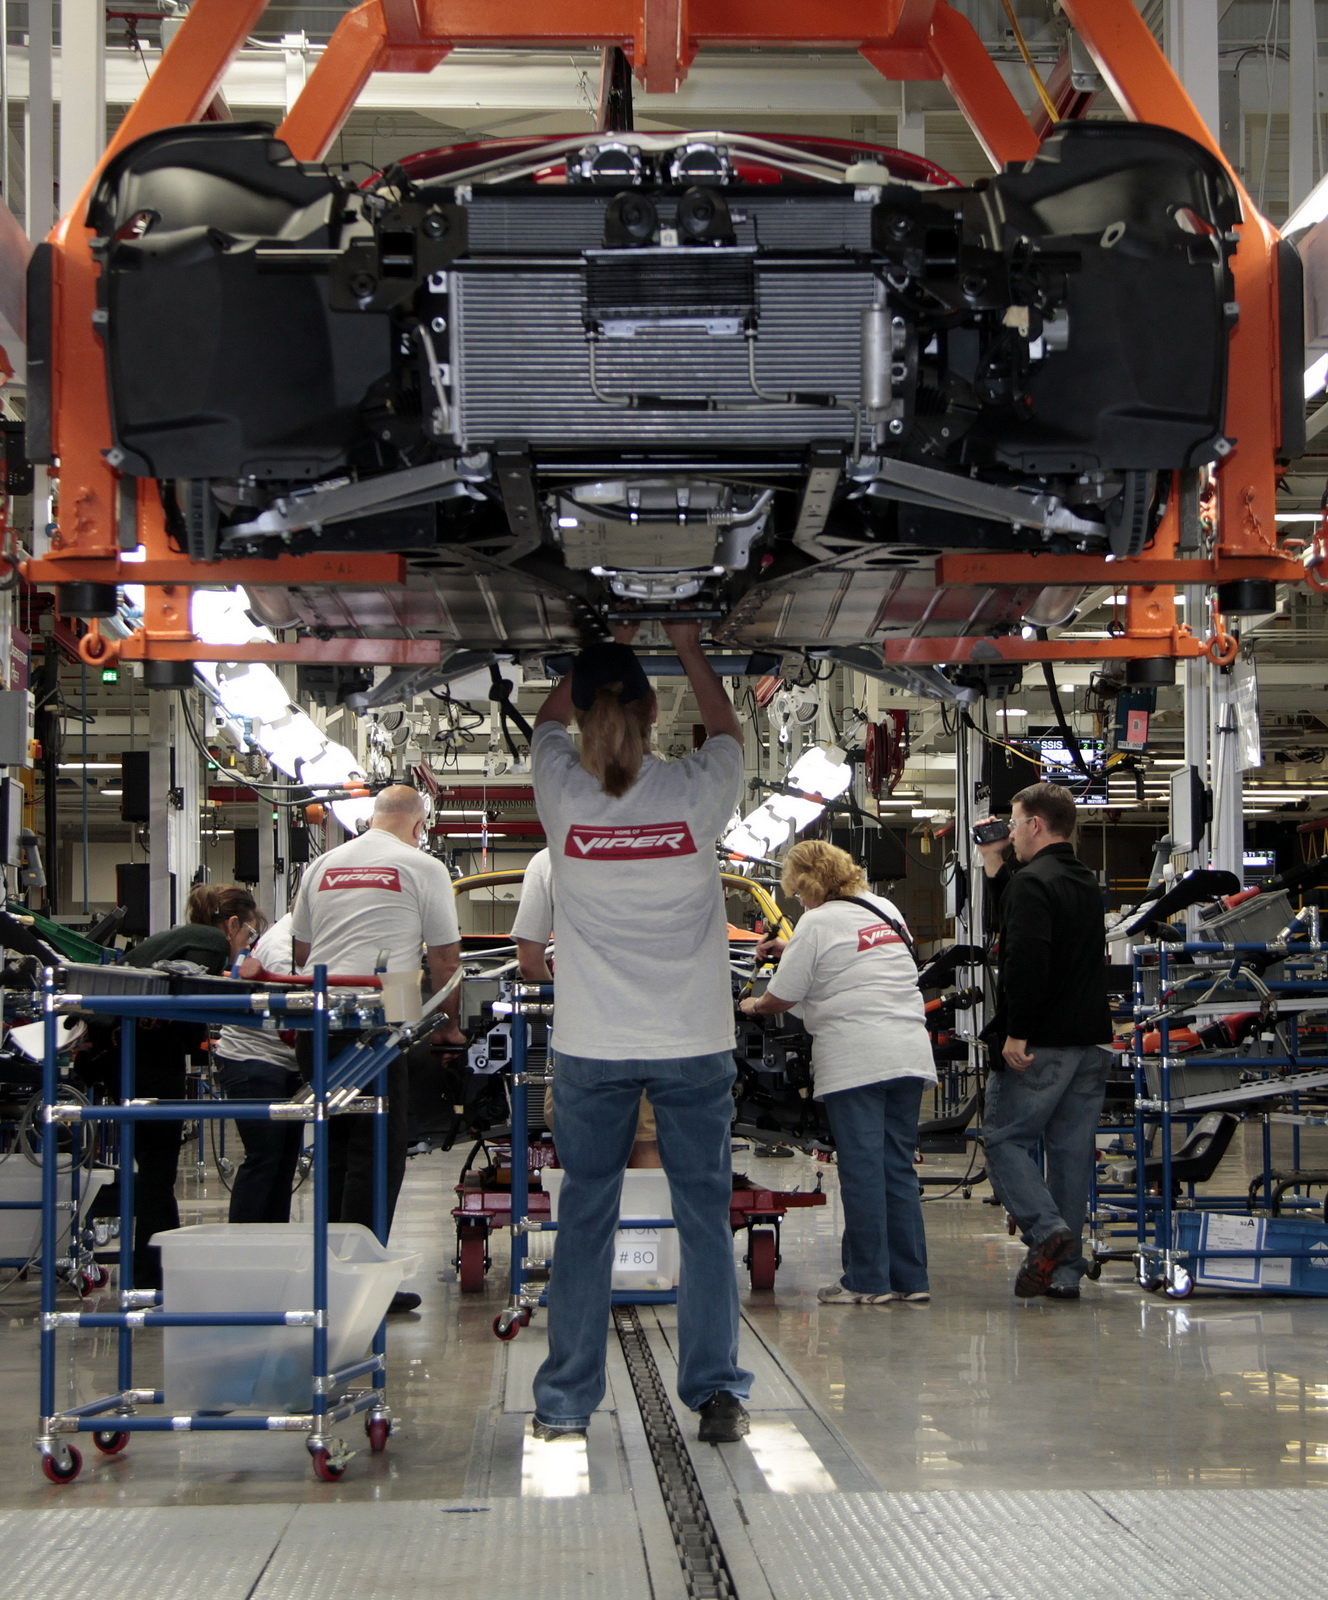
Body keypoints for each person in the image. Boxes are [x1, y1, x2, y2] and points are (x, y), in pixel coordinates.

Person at [529, 622, 753, 1446]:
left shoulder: (562, 793)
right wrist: (689, 645)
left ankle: (565, 1402)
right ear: (656, 711)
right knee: (702, 1217)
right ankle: (717, 1393)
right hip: (693, 1042)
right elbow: (726, 730)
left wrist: (598, 644)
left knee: (585, 1218)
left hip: (592, 1046)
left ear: (586, 712)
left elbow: (545, 723)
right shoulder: (695, 792)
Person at [291, 785, 466, 1312]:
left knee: (335, 1150)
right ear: (419, 825)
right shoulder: (422, 866)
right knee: (377, 1154)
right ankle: (362, 1288)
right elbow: (445, 959)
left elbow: (302, 951)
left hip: (318, 1015)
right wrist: (447, 1029)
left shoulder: (322, 865)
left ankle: (331, 1281)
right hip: (381, 1014)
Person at [739, 839, 935, 1305]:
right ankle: (911, 1280)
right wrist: (795, 947)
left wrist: (752, 1005)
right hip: (909, 1052)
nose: (799, 902)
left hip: (857, 1058)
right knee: (896, 1168)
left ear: (807, 884)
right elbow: (856, 956)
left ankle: (867, 1281)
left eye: (797, 892)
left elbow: (782, 997)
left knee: (863, 1170)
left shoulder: (817, 921)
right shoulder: (884, 908)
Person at [975, 781, 1112, 1301]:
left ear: (1035, 824)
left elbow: (1025, 959)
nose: (1009, 832)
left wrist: (1017, 1031)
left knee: (1004, 1140)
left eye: (1013, 823)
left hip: (1042, 1042)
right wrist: (994, 863)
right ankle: (1064, 1272)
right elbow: (1020, 918)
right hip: (1090, 1041)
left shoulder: (1032, 883)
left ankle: (1047, 1230)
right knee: (1070, 1153)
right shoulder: (1083, 881)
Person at [114, 883, 260, 1288]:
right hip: (146, 1060)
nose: (248, 943)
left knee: (154, 1168)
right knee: (157, 1170)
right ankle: (150, 1276)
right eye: (249, 933)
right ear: (233, 924)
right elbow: (191, 1000)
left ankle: (155, 1269)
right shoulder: (210, 943)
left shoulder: (186, 937)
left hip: (136, 1054)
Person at [513, 847, 661, 1168]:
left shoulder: (548, 858)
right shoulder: (664, 851)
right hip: (650, 1022)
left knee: (582, 1143)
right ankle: (648, 1203)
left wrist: (562, 1005)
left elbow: (529, 961)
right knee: (645, 1138)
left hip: (582, 1027)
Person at [214, 911, 303, 1224]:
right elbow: (293, 1020)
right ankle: (244, 1242)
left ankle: (272, 1240)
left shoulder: (300, 937)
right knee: (265, 1158)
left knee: (283, 1162)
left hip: (280, 1062)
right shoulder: (282, 948)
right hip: (253, 1059)